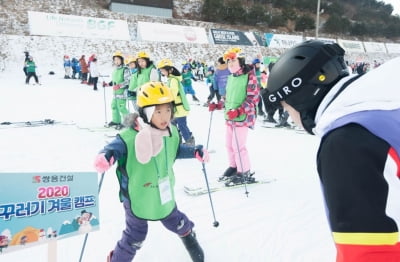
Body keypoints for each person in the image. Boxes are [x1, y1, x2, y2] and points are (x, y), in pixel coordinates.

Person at [267, 40, 400, 262]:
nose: (292, 119)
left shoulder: (345, 143)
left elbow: (370, 252)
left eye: (287, 109)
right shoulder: (385, 98)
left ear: (301, 99)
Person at [94, 81, 207, 262]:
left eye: (168, 110)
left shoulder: (172, 132)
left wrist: (194, 151)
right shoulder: (129, 137)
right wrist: (106, 156)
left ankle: (188, 234)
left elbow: (176, 150)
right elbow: (114, 149)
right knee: (136, 235)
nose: (165, 117)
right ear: (145, 112)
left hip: (163, 192)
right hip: (137, 195)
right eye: (158, 111)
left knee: (175, 220)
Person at [214, 47, 260, 186]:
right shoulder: (231, 77)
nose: (230, 64)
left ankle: (244, 171)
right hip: (230, 116)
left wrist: (240, 111)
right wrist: (219, 104)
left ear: (240, 61)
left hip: (243, 117)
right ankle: (234, 167)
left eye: (233, 60)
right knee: (229, 145)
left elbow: (253, 98)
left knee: (238, 146)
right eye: (228, 62)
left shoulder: (250, 76)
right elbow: (228, 96)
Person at [157, 58, 195, 145]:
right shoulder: (171, 79)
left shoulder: (173, 80)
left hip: (179, 108)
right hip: (175, 109)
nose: (162, 72)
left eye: (163, 70)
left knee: (181, 126)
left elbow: (172, 95)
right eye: (161, 71)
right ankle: (179, 140)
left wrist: (164, 99)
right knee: (173, 125)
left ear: (169, 70)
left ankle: (189, 141)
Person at [105, 51, 131, 129]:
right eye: (115, 60)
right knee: (114, 106)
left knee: (122, 108)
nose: (116, 61)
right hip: (115, 93)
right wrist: (108, 84)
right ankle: (116, 121)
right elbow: (114, 81)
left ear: (122, 60)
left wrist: (119, 86)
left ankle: (127, 122)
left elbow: (128, 81)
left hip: (122, 93)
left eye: (118, 60)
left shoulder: (125, 69)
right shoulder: (115, 70)